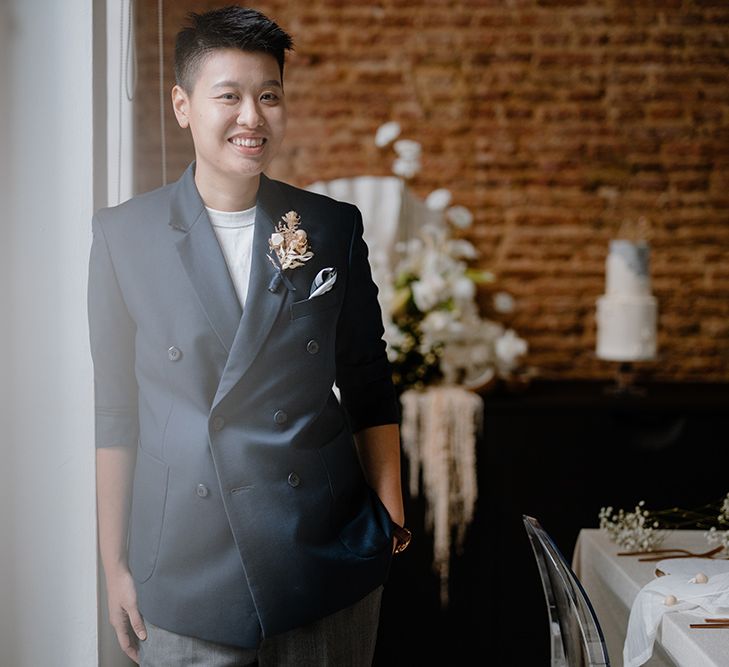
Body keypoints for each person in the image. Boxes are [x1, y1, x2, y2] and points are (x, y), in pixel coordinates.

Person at [88, 5, 410, 666]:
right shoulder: (125, 236)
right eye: (228, 96)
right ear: (183, 105)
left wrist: (390, 516)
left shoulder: (329, 227)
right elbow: (115, 412)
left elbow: (368, 378)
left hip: (324, 555)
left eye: (269, 96)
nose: (252, 117)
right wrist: (114, 563)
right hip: (182, 567)